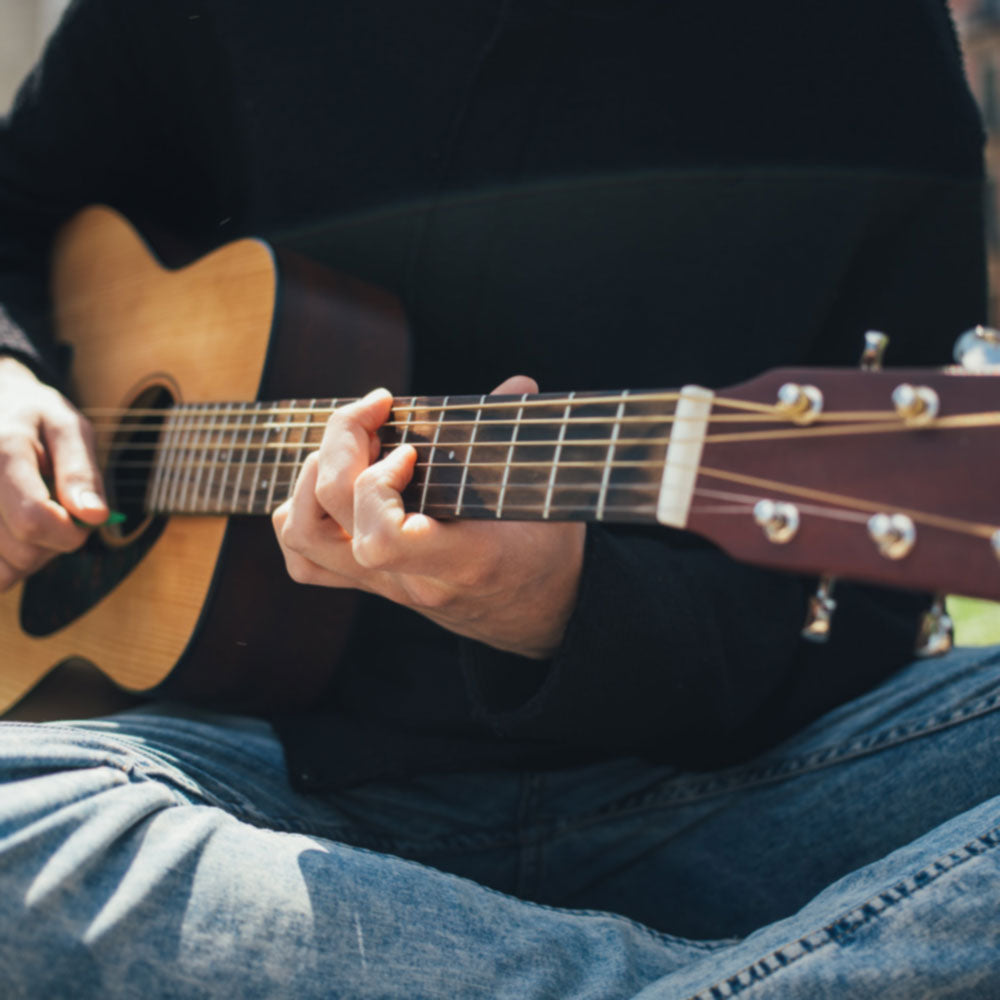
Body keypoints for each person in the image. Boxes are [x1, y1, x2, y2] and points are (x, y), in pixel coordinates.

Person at [0, 0, 997, 995]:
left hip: (727, 792)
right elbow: (21, 203)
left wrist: (562, 605)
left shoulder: (860, 38)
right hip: (263, 777)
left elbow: (861, 607)